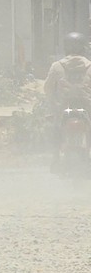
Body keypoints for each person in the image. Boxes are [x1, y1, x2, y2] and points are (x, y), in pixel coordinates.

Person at [44, 31, 91, 169]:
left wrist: (52, 102)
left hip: (63, 107)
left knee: (55, 128)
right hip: (87, 107)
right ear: (83, 48)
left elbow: (47, 88)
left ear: (65, 48)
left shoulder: (57, 66)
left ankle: (55, 157)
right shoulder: (90, 66)